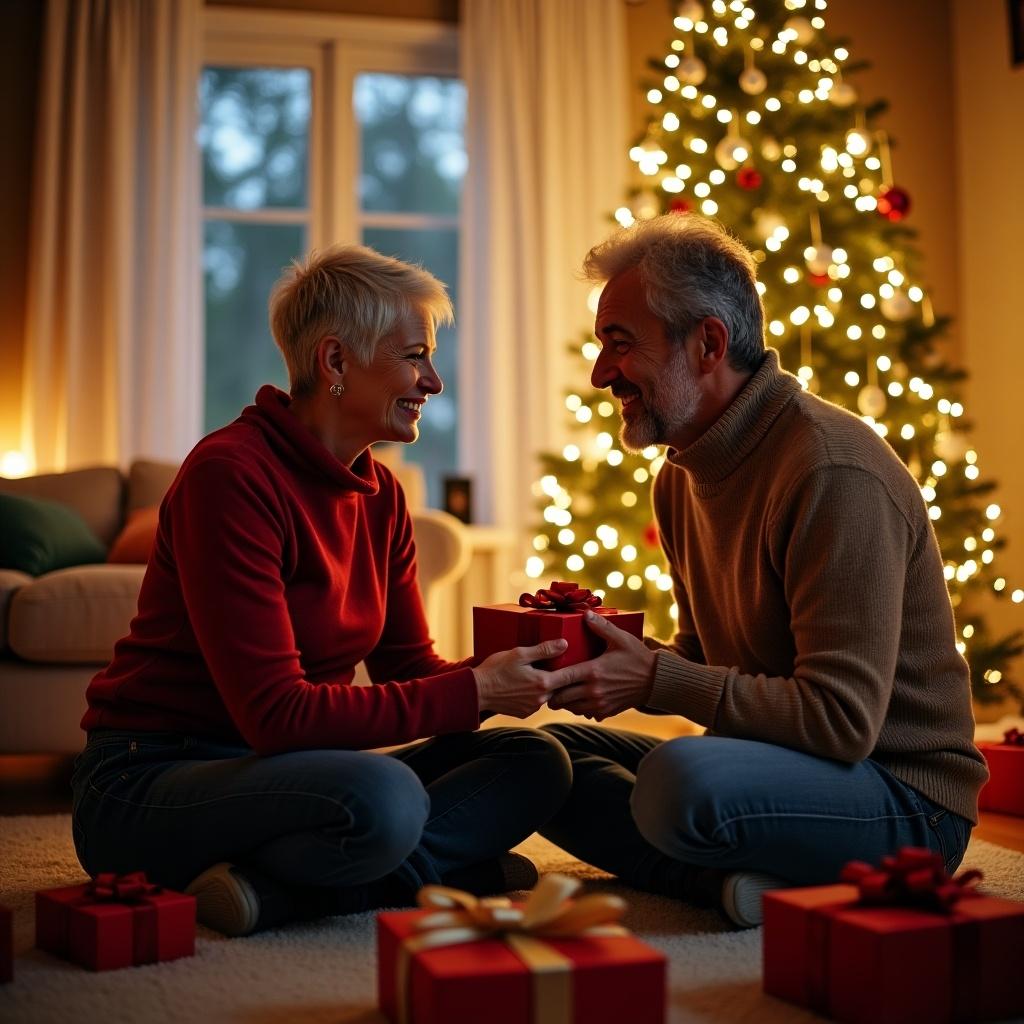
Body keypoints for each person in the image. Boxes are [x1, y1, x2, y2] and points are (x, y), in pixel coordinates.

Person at [73, 245, 572, 937]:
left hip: (290, 776)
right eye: (415, 357)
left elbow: (410, 671)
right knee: (384, 798)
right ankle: (436, 875)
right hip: (151, 782)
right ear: (335, 363)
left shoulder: (383, 496)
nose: (434, 381)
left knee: (535, 762)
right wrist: (478, 692)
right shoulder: (231, 476)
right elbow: (275, 717)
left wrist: (511, 674)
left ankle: (283, 891)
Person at [537, 214, 988, 928]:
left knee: (677, 783)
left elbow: (841, 722)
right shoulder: (680, 477)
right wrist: (602, 658)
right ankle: (739, 886)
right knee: (542, 762)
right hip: (786, 767)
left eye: (620, 346)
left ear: (709, 343)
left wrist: (656, 680)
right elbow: (705, 660)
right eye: (601, 347)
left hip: (905, 801)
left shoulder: (831, 470)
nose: (600, 375)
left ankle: (741, 873)